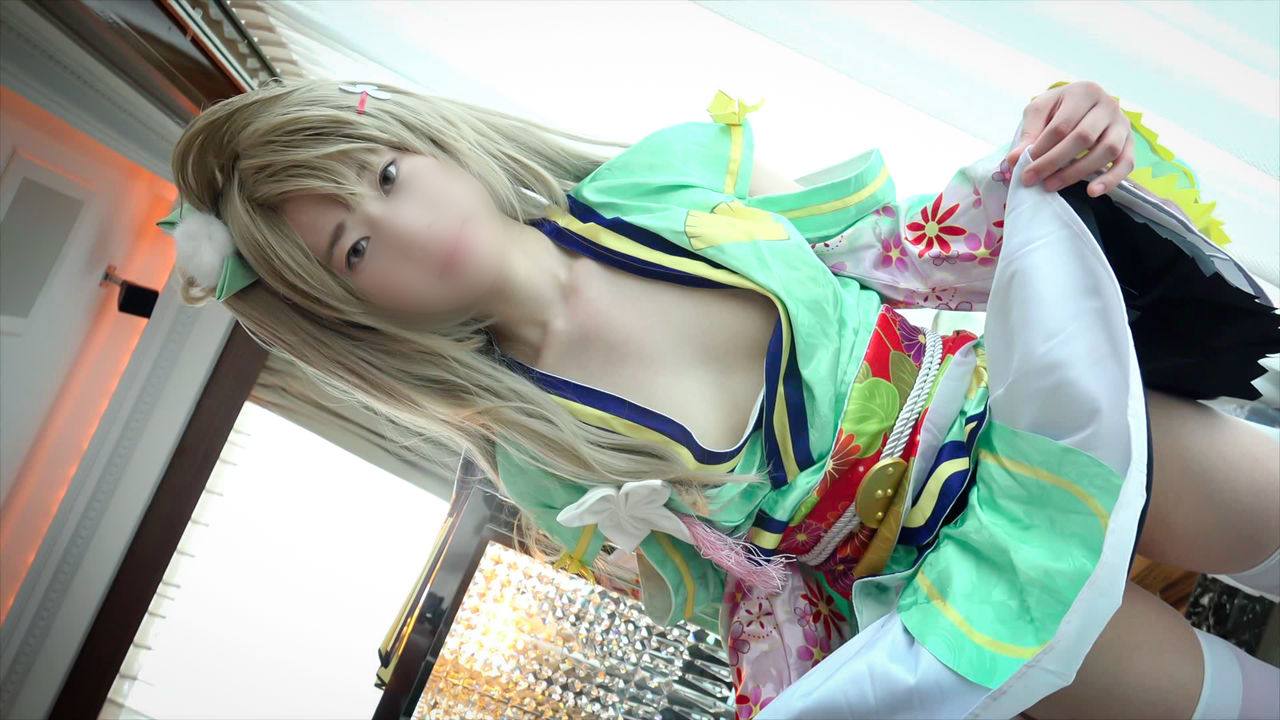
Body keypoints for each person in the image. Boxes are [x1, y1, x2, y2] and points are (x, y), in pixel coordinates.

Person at [161, 77, 1280, 719]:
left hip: (1033, 425)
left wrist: (1056, 150)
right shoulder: (543, 463)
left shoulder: (667, 177)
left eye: (387, 176)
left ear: (428, 145)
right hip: (961, 602)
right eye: (356, 249)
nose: (405, 225)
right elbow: (749, 598)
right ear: (352, 311)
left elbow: (900, 249)